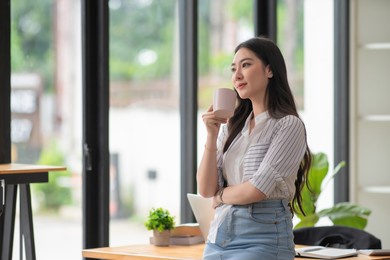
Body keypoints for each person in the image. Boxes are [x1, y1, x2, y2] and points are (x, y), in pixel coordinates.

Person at [197, 36, 312, 260]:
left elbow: (256, 190)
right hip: (218, 238)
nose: (237, 75)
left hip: (263, 238)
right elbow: (205, 189)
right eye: (233, 69)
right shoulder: (232, 126)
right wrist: (211, 136)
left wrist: (220, 197)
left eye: (246, 65)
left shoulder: (288, 125)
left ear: (269, 70)